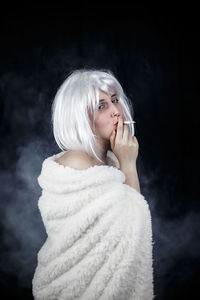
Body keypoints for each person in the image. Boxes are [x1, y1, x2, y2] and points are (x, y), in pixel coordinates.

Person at [32, 69, 154, 299]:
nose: (117, 111)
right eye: (102, 106)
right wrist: (128, 163)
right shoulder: (76, 161)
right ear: (80, 117)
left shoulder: (109, 162)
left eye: (115, 100)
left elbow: (130, 237)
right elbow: (130, 224)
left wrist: (124, 162)